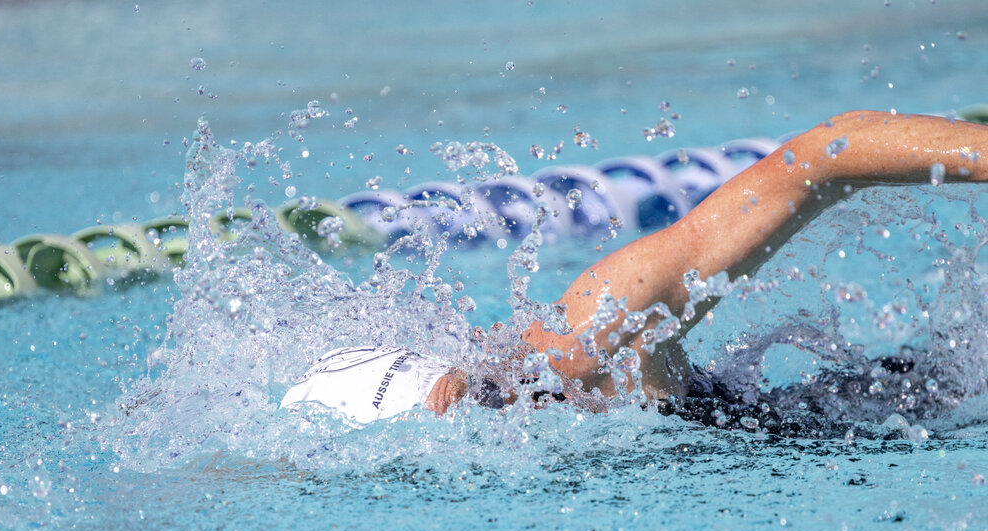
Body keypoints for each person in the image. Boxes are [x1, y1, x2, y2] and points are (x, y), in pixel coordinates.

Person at [283, 111, 988, 426]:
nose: (497, 411)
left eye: (473, 399)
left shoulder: (595, 332)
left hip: (902, 415)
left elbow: (826, 154)